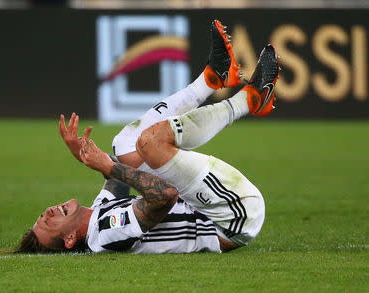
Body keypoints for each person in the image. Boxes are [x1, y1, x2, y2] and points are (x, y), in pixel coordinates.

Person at [14, 20, 280, 254]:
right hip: (230, 218)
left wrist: (85, 157)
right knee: (149, 143)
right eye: (48, 223)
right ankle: (249, 100)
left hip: (210, 207)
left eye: (42, 215)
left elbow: (116, 176)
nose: (47, 212)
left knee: (124, 146)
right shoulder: (105, 234)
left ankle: (212, 79)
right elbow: (165, 196)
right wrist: (108, 165)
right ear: (70, 239)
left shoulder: (98, 215)